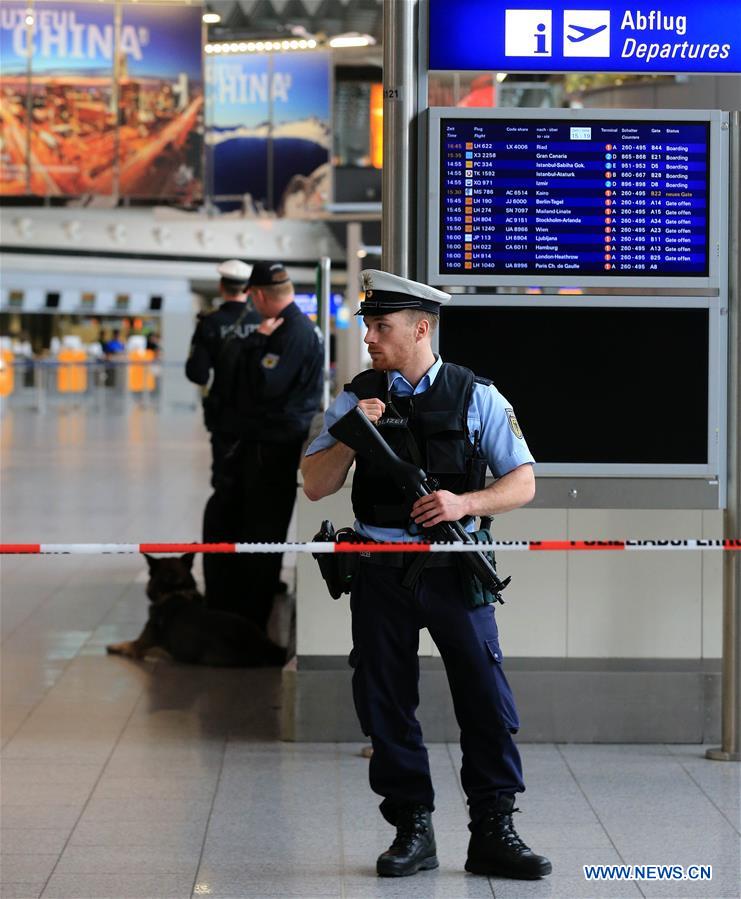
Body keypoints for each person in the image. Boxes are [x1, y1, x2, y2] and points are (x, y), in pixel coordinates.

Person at [301, 270, 551, 881]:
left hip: (453, 564)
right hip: (380, 568)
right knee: (384, 697)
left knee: (485, 698)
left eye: (381, 327)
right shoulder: (354, 396)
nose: (369, 338)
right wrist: (351, 433)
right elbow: (315, 485)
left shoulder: (476, 396)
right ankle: (412, 827)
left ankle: (494, 827)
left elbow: (523, 481)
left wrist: (465, 504)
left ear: (421, 328)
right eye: (367, 325)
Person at [231, 260, 325, 630]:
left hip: (274, 444)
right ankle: (257, 596)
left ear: (256, 295)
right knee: (264, 525)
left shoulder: (289, 332)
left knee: (261, 527)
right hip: (280, 439)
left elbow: (266, 386)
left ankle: (252, 611)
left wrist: (256, 343)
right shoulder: (303, 327)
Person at [185, 259, 261, 613]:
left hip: (225, 426)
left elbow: (197, 373)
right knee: (257, 498)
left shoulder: (211, 324)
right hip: (263, 429)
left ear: (222, 288)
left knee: (224, 493)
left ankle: (221, 575)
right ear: (249, 289)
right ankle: (256, 575)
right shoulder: (264, 321)